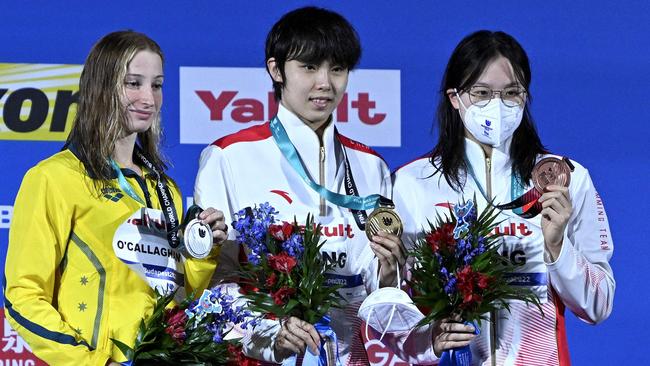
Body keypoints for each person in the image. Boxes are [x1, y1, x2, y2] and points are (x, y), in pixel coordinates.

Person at [194, 6, 405, 364]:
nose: (325, 83)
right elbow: (217, 283)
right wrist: (269, 338)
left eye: (337, 69)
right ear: (276, 69)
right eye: (309, 67)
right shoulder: (229, 157)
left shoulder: (372, 166)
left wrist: (390, 275)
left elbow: (378, 289)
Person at [3, 31, 228, 365]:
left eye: (157, 85)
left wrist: (203, 250)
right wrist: (93, 362)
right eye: (133, 83)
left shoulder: (164, 189)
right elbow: (22, 294)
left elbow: (179, 296)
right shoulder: (54, 178)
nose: (148, 99)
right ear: (101, 87)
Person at [392, 30, 615, 365]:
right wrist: (429, 341)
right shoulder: (412, 182)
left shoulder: (565, 179)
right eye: (481, 93)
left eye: (511, 94)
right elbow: (394, 308)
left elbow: (599, 305)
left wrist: (557, 248)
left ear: (525, 96)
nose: (497, 106)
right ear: (455, 97)